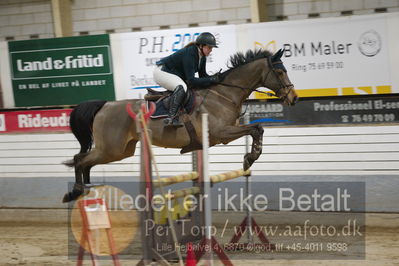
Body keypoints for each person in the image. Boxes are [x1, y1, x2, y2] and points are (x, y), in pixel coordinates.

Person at [153, 32, 222, 127]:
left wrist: (214, 78)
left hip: (171, 73)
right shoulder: (190, 53)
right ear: (201, 46)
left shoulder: (202, 57)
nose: (211, 50)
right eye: (209, 47)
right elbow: (191, 80)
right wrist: (211, 80)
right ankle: (171, 118)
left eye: (212, 48)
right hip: (161, 72)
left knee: (184, 86)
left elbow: (203, 76)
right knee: (182, 87)